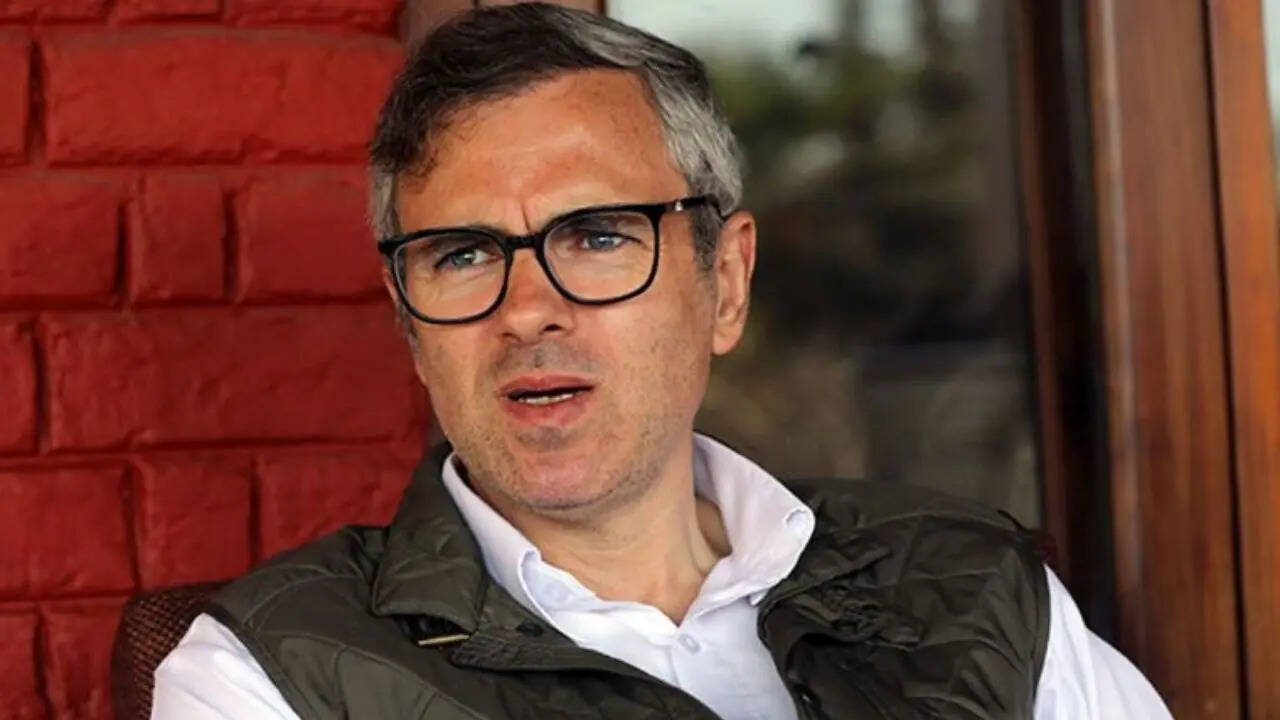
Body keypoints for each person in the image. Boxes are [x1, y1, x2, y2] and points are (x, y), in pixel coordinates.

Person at [151, 4, 1172, 719]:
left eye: (598, 235)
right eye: (462, 255)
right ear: (412, 327)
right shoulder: (275, 674)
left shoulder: (969, 585)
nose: (528, 310)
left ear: (723, 282)